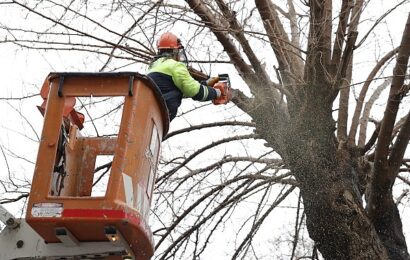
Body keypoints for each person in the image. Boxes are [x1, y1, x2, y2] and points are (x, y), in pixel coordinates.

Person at [147, 32, 221, 121]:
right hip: (162, 112)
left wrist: (205, 83)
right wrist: (217, 92)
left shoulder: (153, 67)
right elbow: (195, 92)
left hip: (152, 111)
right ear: (175, 51)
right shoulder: (175, 66)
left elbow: (174, 90)